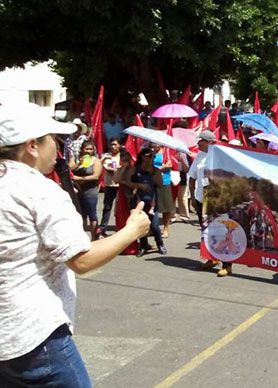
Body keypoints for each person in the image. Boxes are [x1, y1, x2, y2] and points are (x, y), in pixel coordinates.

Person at [0, 103, 149, 386]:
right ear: (32, 145)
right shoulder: (39, 190)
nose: (57, 148)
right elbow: (81, 259)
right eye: (52, 140)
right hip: (34, 336)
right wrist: (132, 230)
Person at [190, 130, 233, 276]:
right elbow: (192, 177)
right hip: (201, 199)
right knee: (206, 231)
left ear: (208, 141)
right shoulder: (199, 157)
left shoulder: (221, 156)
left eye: (200, 141)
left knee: (221, 231)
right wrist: (192, 197)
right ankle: (211, 258)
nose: (197, 143)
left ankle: (227, 264)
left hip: (217, 201)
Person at [123, 148, 167, 256]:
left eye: (152, 156)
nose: (151, 158)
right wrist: (140, 185)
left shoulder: (155, 170)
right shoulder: (135, 169)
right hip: (138, 200)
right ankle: (143, 246)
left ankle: (160, 244)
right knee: (140, 224)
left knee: (155, 225)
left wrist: (152, 173)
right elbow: (127, 182)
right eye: (149, 155)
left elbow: (160, 184)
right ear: (142, 156)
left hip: (152, 201)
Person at [71, 140, 103, 241]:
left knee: (92, 215)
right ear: (82, 149)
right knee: (80, 215)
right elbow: (70, 169)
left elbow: (96, 176)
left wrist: (79, 178)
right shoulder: (76, 158)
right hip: (77, 190)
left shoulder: (96, 161)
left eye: (91, 149)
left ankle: (94, 238)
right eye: (87, 149)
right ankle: (82, 238)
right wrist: (79, 163)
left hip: (90, 190)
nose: (89, 151)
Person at [150, 143, 175, 239]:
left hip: (164, 181)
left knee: (166, 207)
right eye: (153, 143)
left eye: (156, 143)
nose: (154, 145)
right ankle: (152, 228)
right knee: (152, 206)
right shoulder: (152, 153)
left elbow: (170, 165)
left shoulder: (166, 152)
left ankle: (166, 228)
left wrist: (159, 168)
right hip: (153, 181)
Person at [98, 137, 122, 237]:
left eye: (115, 144)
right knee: (107, 207)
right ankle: (103, 227)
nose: (113, 146)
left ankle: (120, 226)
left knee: (119, 207)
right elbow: (98, 165)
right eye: (111, 144)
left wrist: (117, 169)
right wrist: (102, 161)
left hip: (120, 185)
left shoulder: (123, 156)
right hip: (109, 185)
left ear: (119, 146)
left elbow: (126, 166)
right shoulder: (106, 156)